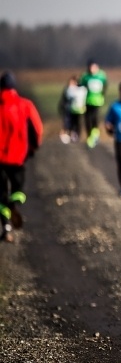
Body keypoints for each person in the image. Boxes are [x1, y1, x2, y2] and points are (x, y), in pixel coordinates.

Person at [0, 71, 43, 242]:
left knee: (0, 193)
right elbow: (37, 128)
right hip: (18, 156)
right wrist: (33, 147)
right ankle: (14, 203)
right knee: (18, 190)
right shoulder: (25, 105)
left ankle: (6, 228)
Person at [79, 59, 108, 148]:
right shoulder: (85, 77)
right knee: (87, 119)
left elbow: (105, 86)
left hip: (97, 101)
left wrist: (102, 96)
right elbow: (81, 87)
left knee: (94, 118)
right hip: (87, 101)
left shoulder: (102, 76)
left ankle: (95, 135)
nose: (92, 69)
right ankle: (89, 136)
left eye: (94, 67)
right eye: (91, 67)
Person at [58, 75, 87, 143]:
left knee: (77, 123)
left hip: (78, 110)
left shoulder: (81, 89)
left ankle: (75, 136)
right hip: (69, 110)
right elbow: (64, 100)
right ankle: (69, 135)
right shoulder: (68, 90)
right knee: (68, 123)